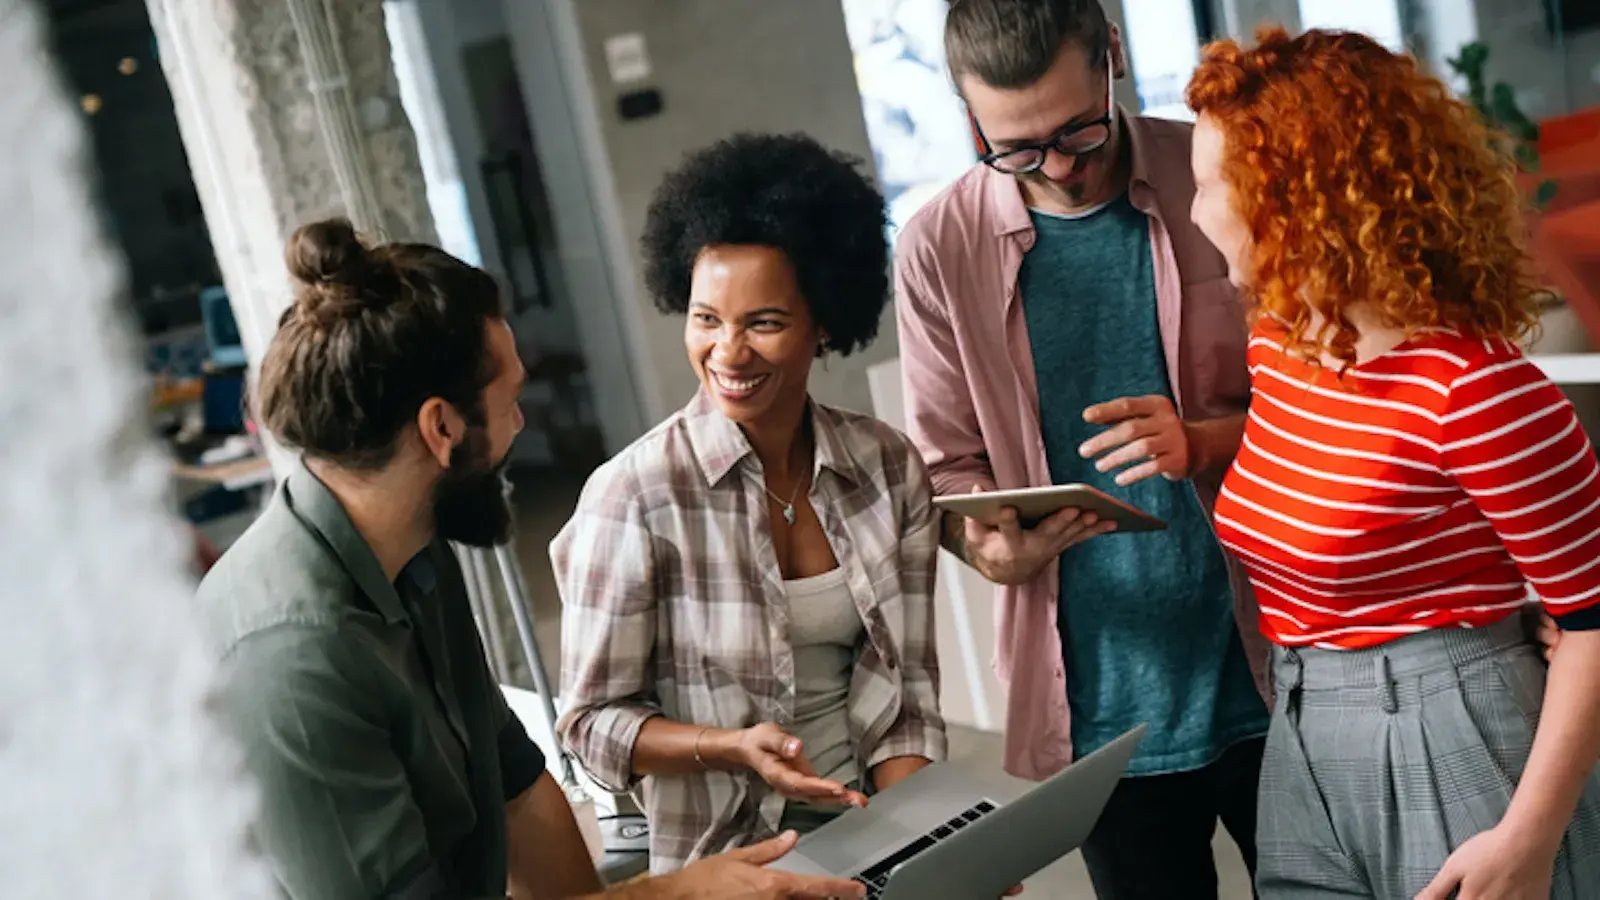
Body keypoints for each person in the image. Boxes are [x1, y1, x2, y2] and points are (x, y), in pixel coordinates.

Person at [197, 219, 866, 900]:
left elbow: (514, 784)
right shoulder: (293, 659)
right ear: (442, 428)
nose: (521, 426)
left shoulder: (411, 544)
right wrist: (678, 894)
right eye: (510, 404)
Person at [1187, 27, 1600, 899]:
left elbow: (1596, 624)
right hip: (1301, 726)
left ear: (1296, 196)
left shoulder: (1474, 390)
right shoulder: (1280, 345)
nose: (1194, 213)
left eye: (1210, 186)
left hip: (1455, 733)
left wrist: (1528, 838)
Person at [893, 1, 1268, 895]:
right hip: (1100, 709)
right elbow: (946, 468)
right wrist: (984, 545)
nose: (1058, 167)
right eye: (1017, 147)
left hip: (1278, 658)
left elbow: (1332, 395)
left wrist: (1204, 441)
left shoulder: (1219, 175)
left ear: (1112, 53)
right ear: (964, 106)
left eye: (1079, 130)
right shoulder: (937, 249)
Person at [553, 133, 945, 874]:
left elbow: (909, 704)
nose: (728, 353)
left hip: (874, 830)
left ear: (824, 321)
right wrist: (729, 746)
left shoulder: (888, 468)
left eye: (763, 322)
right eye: (706, 319)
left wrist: (921, 846)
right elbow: (589, 727)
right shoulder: (634, 497)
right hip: (727, 861)